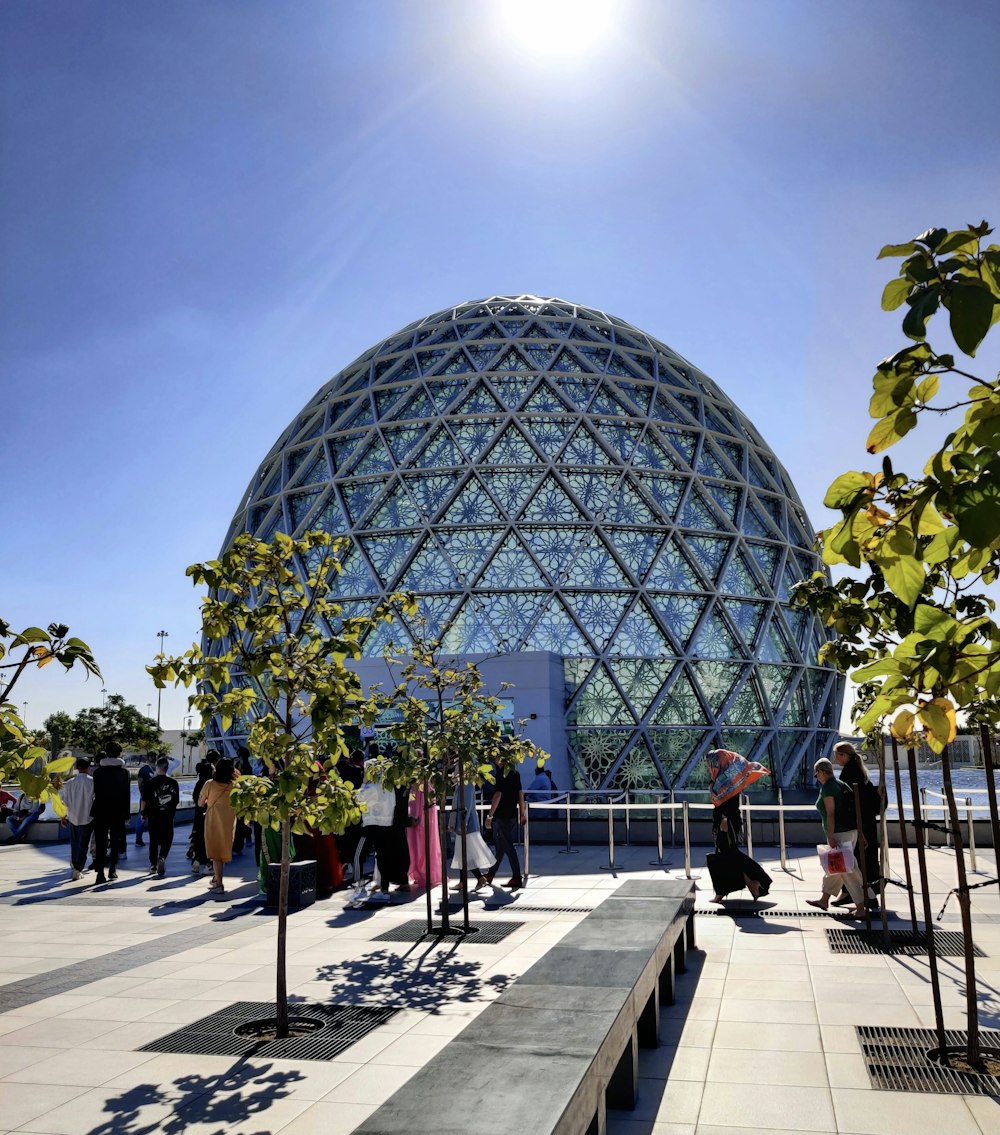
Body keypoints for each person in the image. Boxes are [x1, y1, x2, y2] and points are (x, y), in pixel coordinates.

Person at [704, 749, 772, 903]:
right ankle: (750, 882)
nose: (710, 765)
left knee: (725, 854)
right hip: (724, 819)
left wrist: (724, 820)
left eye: (713, 762)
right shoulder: (722, 777)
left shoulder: (728, 779)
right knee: (727, 854)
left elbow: (730, 802)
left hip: (726, 820)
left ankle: (749, 882)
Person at [807, 758, 866, 916]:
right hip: (850, 831)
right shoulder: (842, 785)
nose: (816, 777)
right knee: (837, 867)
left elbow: (831, 813)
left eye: (816, 774)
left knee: (847, 870)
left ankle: (861, 906)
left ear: (821, 771)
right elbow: (855, 811)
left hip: (839, 833)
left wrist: (830, 835)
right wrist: (860, 833)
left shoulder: (828, 788)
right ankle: (824, 899)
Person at [832, 741, 882, 907]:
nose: (835, 759)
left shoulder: (849, 773)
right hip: (865, 821)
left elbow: (850, 801)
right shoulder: (858, 770)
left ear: (843, 755)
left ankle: (865, 896)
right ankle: (853, 893)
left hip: (858, 823)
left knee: (853, 860)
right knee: (857, 859)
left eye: (837, 755)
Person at [91, 742, 131, 884]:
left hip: (100, 809)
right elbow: (127, 795)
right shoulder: (124, 773)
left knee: (101, 841)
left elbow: (94, 793)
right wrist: (127, 814)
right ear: (119, 754)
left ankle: (100, 872)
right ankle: (112, 868)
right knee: (115, 841)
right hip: (118, 810)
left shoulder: (98, 773)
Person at [484, 763, 526, 890]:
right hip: (512, 814)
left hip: (502, 815)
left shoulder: (501, 773)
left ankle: (517, 877)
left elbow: (498, 795)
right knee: (501, 847)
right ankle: (491, 874)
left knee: (508, 847)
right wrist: (522, 814)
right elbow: (520, 793)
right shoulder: (515, 772)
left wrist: (489, 816)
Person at [200, 757, 238, 894]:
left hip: (213, 821)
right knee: (223, 851)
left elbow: (200, 803)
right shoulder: (235, 785)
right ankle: (216, 878)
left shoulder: (209, 784)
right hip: (229, 822)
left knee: (215, 854)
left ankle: (219, 884)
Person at [449, 780, 493, 891]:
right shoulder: (463, 783)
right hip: (464, 823)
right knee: (462, 853)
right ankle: (466, 881)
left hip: (466, 825)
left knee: (465, 853)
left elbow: (467, 804)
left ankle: (476, 878)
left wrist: (464, 822)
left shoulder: (466, 783)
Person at [144, 757, 179, 877]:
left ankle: (153, 865)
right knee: (168, 838)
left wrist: (143, 813)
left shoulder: (150, 783)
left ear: (157, 767)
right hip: (168, 816)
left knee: (153, 840)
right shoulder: (174, 783)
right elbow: (176, 800)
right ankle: (162, 856)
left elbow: (144, 800)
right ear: (167, 768)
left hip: (153, 816)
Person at [60, 757, 94, 879]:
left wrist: (63, 817)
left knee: (74, 843)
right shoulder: (92, 782)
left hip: (72, 817)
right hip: (88, 817)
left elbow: (64, 802)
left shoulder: (69, 783)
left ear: (76, 768)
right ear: (88, 768)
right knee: (84, 844)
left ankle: (75, 866)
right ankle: (78, 868)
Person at [406, 784, 442, 890]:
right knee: (418, 844)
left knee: (421, 844)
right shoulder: (424, 788)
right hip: (419, 811)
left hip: (420, 816)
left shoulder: (423, 788)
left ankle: (423, 873)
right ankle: (422, 872)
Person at [189, 752, 217, 874]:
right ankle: (207, 864)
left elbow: (196, 799)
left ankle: (196, 860)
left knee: (198, 837)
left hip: (198, 815)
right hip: (209, 815)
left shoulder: (198, 784)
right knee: (209, 840)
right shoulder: (211, 784)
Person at [134, 752, 157, 847]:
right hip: (155, 798)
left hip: (146, 797)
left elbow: (139, 784)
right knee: (154, 818)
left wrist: (142, 795)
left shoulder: (143, 769)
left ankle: (138, 839)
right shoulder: (158, 768)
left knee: (142, 817)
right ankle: (155, 838)